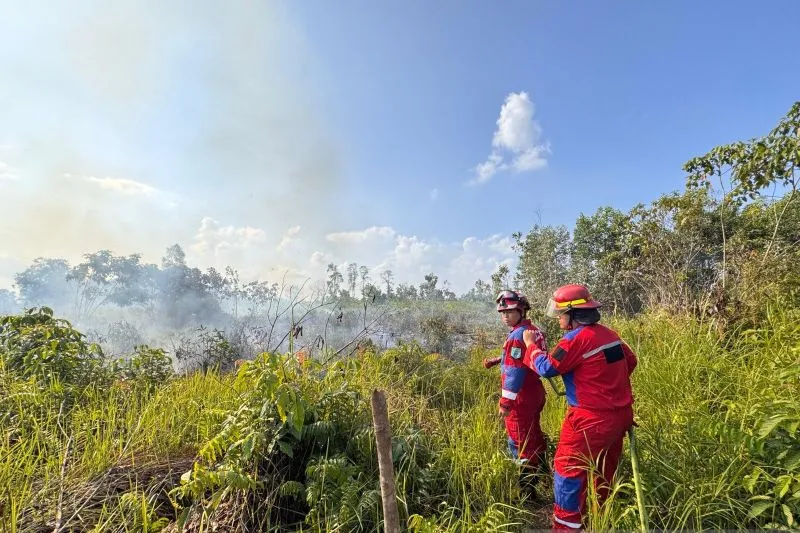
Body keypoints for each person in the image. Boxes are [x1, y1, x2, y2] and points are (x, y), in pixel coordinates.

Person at [522, 284, 638, 531]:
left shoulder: (574, 340)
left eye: (561, 314)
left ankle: (567, 526)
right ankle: (600, 517)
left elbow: (547, 368)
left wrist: (531, 345)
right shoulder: (610, 335)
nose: (559, 319)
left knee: (568, 468)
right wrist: (609, 389)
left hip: (590, 418)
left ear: (573, 314)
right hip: (621, 415)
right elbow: (631, 361)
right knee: (604, 467)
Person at [483, 289, 548, 492]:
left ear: (522, 311)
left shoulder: (517, 335)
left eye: (509, 312)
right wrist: (496, 360)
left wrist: (505, 402)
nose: (505, 316)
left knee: (520, 441)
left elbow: (514, 371)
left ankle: (527, 491)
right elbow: (523, 357)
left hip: (521, 396)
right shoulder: (532, 330)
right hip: (535, 391)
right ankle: (544, 473)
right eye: (502, 313)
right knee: (533, 434)